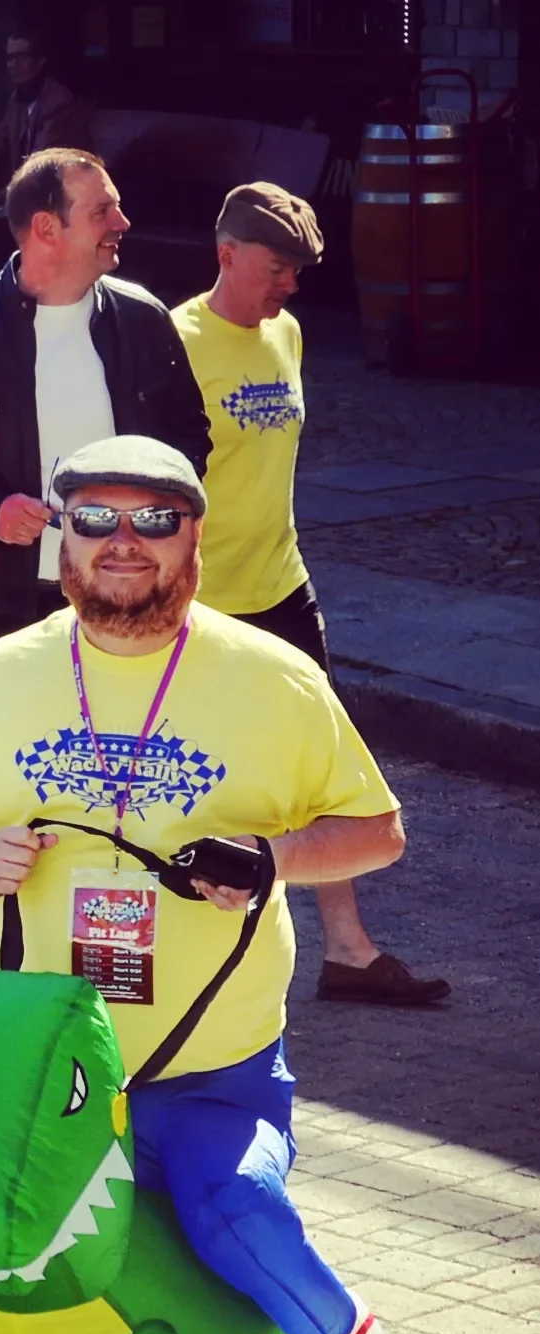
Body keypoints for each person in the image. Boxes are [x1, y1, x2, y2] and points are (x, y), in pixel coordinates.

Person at [0, 434, 413, 1334]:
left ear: (195, 538)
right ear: (62, 540)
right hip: (38, 1068)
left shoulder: (275, 678)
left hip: (213, 1070)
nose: (126, 542)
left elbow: (378, 830)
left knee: (237, 1208)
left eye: (155, 521)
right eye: (96, 520)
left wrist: (272, 857)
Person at [174, 184, 449, 1010]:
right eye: (276, 266)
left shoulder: (286, 333)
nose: (289, 284)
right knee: (203, 770)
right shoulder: (175, 340)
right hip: (204, 598)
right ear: (227, 255)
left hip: (283, 583)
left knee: (323, 763)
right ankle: (192, 940)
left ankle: (349, 951)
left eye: (296, 269)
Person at [0, 148, 210, 640]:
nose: (123, 222)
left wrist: (154, 519)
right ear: (46, 228)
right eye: (102, 211)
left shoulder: (144, 320)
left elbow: (190, 438)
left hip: (127, 594)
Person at [0, 28, 89, 210]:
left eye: (21, 57)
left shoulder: (58, 102)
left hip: (61, 197)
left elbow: (38, 165)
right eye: (9, 58)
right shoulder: (17, 100)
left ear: (40, 61)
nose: (13, 65)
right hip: (26, 194)